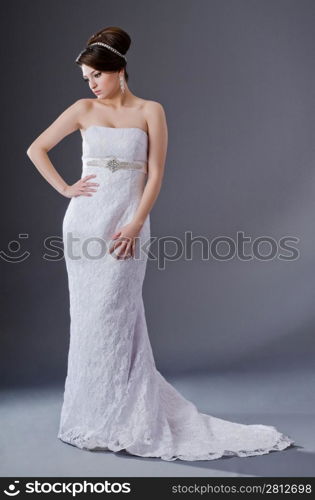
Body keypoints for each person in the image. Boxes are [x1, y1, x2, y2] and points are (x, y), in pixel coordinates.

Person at [26, 26, 294, 461]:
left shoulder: (151, 111)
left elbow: (155, 175)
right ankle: (89, 414)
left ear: (119, 71)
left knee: (119, 313)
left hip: (128, 222)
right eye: (86, 77)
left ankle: (124, 413)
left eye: (97, 74)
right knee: (88, 318)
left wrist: (134, 224)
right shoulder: (81, 109)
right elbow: (37, 148)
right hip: (85, 225)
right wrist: (65, 189)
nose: (91, 83)